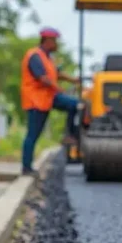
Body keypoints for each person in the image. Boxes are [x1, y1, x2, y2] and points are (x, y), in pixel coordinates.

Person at [20, 27, 80, 174]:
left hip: (48, 97)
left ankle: (70, 136)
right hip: (36, 100)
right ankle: (26, 167)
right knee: (33, 134)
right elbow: (43, 78)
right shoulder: (34, 56)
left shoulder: (47, 58)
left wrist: (74, 80)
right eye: (55, 41)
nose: (57, 45)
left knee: (75, 105)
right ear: (48, 41)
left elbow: (56, 73)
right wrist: (58, 88)